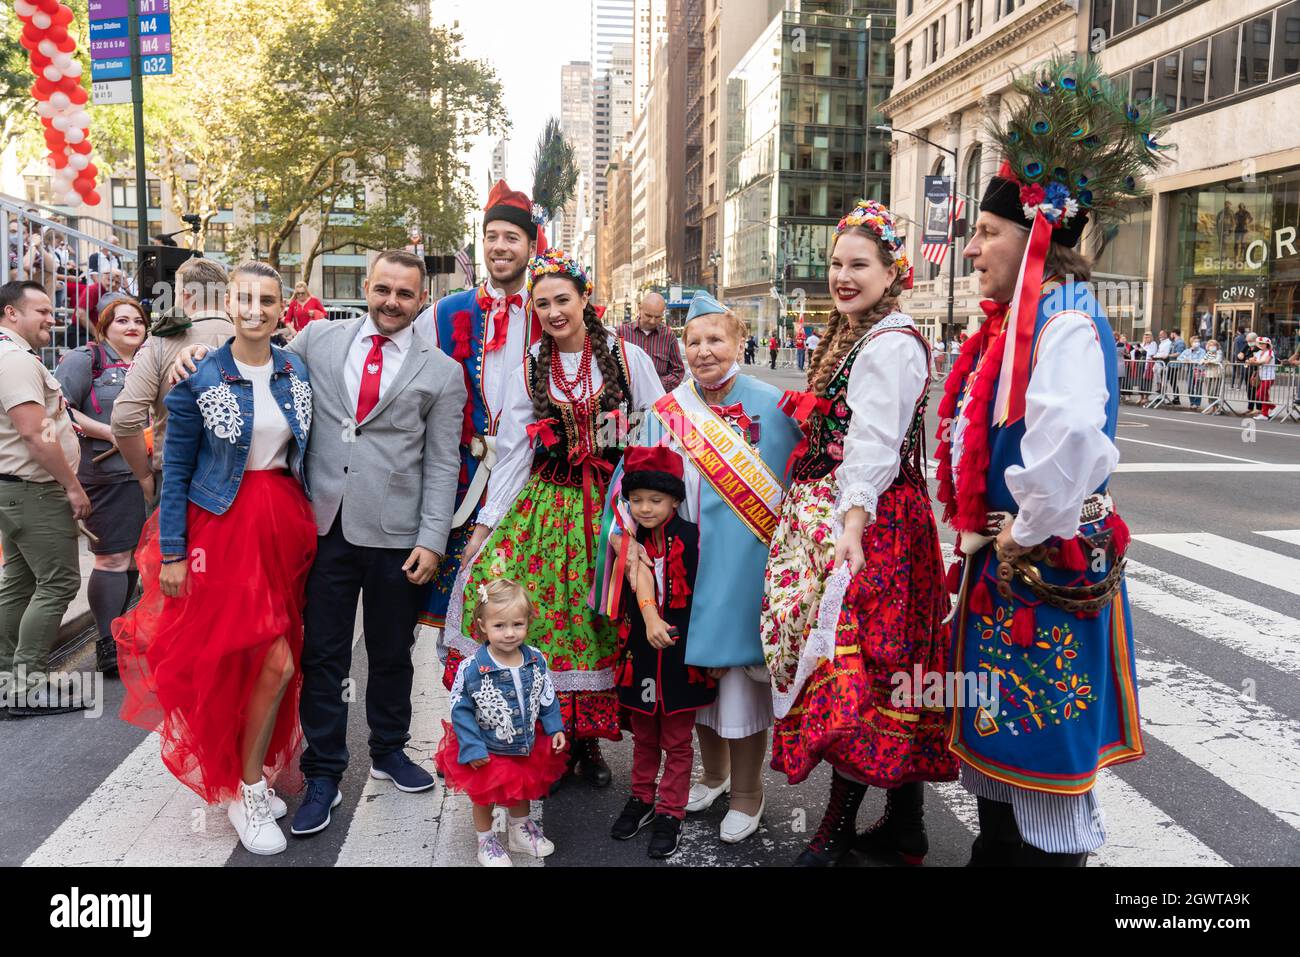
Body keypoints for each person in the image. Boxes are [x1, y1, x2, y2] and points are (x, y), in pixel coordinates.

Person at [936, 56, 1155, 866]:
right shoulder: (1015, 321)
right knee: (1004, 760)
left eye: (987, 233)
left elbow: (1069, 449)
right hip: (1014, 563)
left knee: (1044, 768)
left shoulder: (1062, 317)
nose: (972, 249)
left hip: (1043, 566)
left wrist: (1022, 530)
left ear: (1032, 235)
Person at [172, 250, 468, 836]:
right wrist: (194, 355)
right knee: (322, 656)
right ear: (366, 286)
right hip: (318, 527)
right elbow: (249, 360)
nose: (391, 302)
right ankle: (324, 770)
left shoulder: (443, 371)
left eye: (405, 294)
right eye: (382, 289)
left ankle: (388, 750)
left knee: (390, 653)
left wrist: (433, 540)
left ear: (420, 299)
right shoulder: (316, 341)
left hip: (398, 534)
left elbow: (442, 464)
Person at [763, 200, 955, 867]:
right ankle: (907, 827)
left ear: (892, 271)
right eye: (837, 264)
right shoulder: (855, 333)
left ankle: (837, 828)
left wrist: (852, 523)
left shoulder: (892, 343)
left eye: (859, 265)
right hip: (858, 516)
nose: (843, 276)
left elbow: (872, 444)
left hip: (878, 524)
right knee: (881, 668)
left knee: (860, 668)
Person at [443, 249, 665, 788]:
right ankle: (554, 736)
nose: (551, 312)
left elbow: (658, 433)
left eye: (562, 299)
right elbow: (516, 451)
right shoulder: (529, 367)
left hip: (611, 510)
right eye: (541, 304)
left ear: (585, 298)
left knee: (598, 625)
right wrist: (486, 525)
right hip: (548, 506)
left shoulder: (626, 356)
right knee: (542, 621)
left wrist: (651, 510)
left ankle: (589, 745)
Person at [114, 262, 314, 855]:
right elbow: (174, 469)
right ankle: (247, 788)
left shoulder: (295, 367)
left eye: (268, 300)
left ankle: (244, 776)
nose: (256, 309)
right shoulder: (198, 376)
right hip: (219, 530)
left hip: (282, 524)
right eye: (245, 298)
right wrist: (173, 552)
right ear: (228, 304)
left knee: (272, 661)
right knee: (265, 661)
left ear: (283, 308)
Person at [599, 292, 802, 845]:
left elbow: (803, 492)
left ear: (739, 341)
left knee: (739, 684)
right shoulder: (669, 411)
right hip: (682, 573)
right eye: (694, 341)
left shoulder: (777, 404)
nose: (705, 350)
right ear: (680, 347)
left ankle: (747, 793)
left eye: (716, 339)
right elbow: (632, 489)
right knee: (695, 685)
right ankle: (711, 777)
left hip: (746, 571)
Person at [413, 181, 544, 639]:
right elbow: (398, 370)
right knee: (455, 622)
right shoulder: (443, 313)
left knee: (523, 618)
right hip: (459, 484)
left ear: (531, 245)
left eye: (512, 237)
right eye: (492, 237)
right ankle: (462, 710)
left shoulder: (553, 312)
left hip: (534, 486)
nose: (500, 247)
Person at [607, 446, 712, 859]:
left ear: (675, 500)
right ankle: (641, 798)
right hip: (641, 655)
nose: (645, 508)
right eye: (637, 500)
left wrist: (715, 656)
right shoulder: (626, 542)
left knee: (678, 741)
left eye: (656, 499)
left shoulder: (695, 539)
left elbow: (709, 600)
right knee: (645, 737)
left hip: (684, 657)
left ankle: (671, 811)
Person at [0, 281, 88, 717]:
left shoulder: (11, 355)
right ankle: (27, 684)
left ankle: (7, 681)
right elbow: (35, 434)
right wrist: (72, 486)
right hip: (34, 489)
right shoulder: (14, 360)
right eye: (42, 311)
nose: (52, 320)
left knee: (19, 583)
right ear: (11, 313)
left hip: (17, 489)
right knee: (59, 583)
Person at [435, 578, 567, 867]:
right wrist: (471, 746)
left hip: (526, 742)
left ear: (528, 622)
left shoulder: (536, 660)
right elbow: (460, 709)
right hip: (487, 745)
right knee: (485, 795)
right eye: (499, 626)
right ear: (482, 625)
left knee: (523, 786)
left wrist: (555, 726)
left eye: (517, 625)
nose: (509, 633)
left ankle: (520, 830)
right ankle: (486, 840)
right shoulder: (472, 669)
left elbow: (546, 695)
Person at [53, 296, 149, 676]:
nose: (131, 326)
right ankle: (106, 643)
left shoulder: (149, 362)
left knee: (138, 561)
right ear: (105, 326)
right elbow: (59, 406)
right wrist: (112, 432)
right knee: (111, 557)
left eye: (138, 321)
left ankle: (121, 632)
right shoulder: (85, 358)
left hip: (148, 475)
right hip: (105, 476)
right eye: (121, 320)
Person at [111, 258, 235, 506]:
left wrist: (145, 476)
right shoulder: (254, 341)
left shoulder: (161, 343)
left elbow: (124, 418)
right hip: (244, 476)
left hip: (178, 477)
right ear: (224, 296)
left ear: (186, 295)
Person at [619, 291, 685, 392]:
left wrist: (655, 385)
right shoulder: (621, 333)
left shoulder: (668, 336)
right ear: (640, 308)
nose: (652, 321)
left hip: (658, 399)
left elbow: (678, 371)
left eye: (657, 317)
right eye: (648, 316)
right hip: (626, 397)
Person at [1174, 336, 1206, 408]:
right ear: (1191, 343)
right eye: (1195, 342)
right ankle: (1192, 402)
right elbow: (1179, 358)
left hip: (1199, 370)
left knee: (1198, 387)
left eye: (1198, 342)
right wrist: (1184, 360)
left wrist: (1191, 361)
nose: (1197, 343)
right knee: (1190, 387)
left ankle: (1197, 403)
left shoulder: (1202, 351)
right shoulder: (1187, 351)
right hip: (1190, 369)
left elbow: (1202, 360)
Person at [1249, 336, 1276, 419]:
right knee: (1264, 395)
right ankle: (1265, 414)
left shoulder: (1270, 352)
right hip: (1262, 376)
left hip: (1269, 377)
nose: (1260, 345)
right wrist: (1252, 361)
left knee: (1259, 394)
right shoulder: (1258, 352)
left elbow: (1266, 361)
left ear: (1267, 344)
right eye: (1259, 343)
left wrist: (1256, 362)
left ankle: (1273, 407)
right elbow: (1251, 360)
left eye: (1262, 343)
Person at [1200, 338, 1224, 410]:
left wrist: (1209, 361)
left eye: (1213, 345)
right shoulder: (1208, 353)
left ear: (1217, 346)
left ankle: (1217, 408)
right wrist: (1203, 361)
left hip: (1216, 375)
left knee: (1214, 391)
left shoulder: (1219, 352)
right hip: (1208, 374)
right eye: (1210, 345)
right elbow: (1203, 359)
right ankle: (1212, 407)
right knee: (1209, 392)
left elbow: (1218, 360)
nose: (1212, 347)